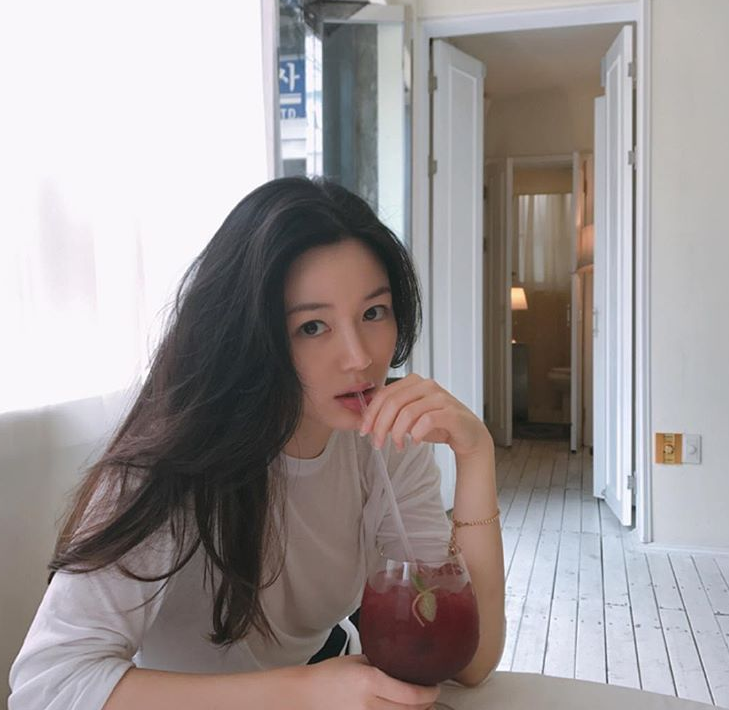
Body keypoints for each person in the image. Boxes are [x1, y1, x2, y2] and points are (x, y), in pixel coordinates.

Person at [9, 177, 505, 710]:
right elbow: (48, 686)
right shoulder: (167, 469)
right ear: (249, 335)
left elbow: (470, 660)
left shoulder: (385, 442)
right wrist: (303, 693)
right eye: (312, 327)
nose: (360, 357)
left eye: (373, 313)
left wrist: (476, 454)